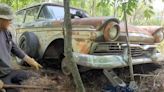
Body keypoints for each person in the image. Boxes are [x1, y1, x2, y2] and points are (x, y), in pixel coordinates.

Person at [0, 3, 42, 92]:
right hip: (0, 77)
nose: (10, 22)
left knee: (35, 78)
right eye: (8, 19)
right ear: (0, 20)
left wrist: (29, 60)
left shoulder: (6, 32)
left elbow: (14, 48)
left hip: (8, 71)